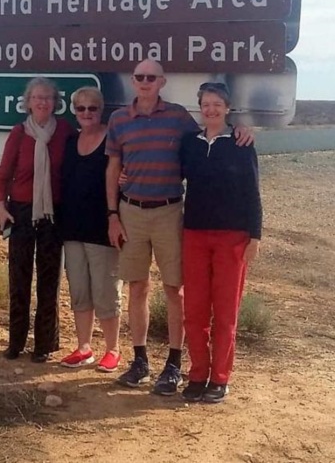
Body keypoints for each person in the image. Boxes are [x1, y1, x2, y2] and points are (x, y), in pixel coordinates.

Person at [105, 59, 252, 395]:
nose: (145, 82)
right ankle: (140, 360)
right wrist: (112, 213)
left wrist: (241, 127)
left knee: (175, 290)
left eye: (151, 77)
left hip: (171, 212)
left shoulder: (177, 117)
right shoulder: (118, 119)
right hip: (131, 212)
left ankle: (173, 365)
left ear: (162, 82)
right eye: (140, 77)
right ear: (133, 81)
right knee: (137, 287)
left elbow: (210, 132)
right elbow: (113, 168)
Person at [179, 82, 262, 404]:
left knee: (225, 313)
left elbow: (252, 192)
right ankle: (198, 373)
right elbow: (170, 174)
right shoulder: (190, 143)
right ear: (200, 107)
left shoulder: (241, 143)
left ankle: (220, 378)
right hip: (195, 234)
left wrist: (255, 236)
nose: (211, 109)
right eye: (206, 104)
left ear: (227, 108)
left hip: (233, 237)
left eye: (217, 104)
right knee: (195, 311)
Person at [0, 76, 74, 363]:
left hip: (53, 213)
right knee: (19, 278)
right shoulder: (19, 133)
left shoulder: (65, 131)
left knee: (49, 280)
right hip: (21, 212)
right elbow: (3, 175)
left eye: (48, 97)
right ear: (28, 102)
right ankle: (15, 341)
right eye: (37, 97)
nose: (42, 102)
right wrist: (0, 207)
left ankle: (44, 344)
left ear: (56, 103)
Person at [56, 87, 122, 373]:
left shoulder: (113, 140)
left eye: (92, 108)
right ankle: (84, 347)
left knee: (106, 292)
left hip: (102, 229)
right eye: (80, 109)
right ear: (74, 111)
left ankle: (113, 350)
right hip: (72, 228)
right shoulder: (71, 140)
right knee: (80, 292)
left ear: (101, 110)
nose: (86, 114)